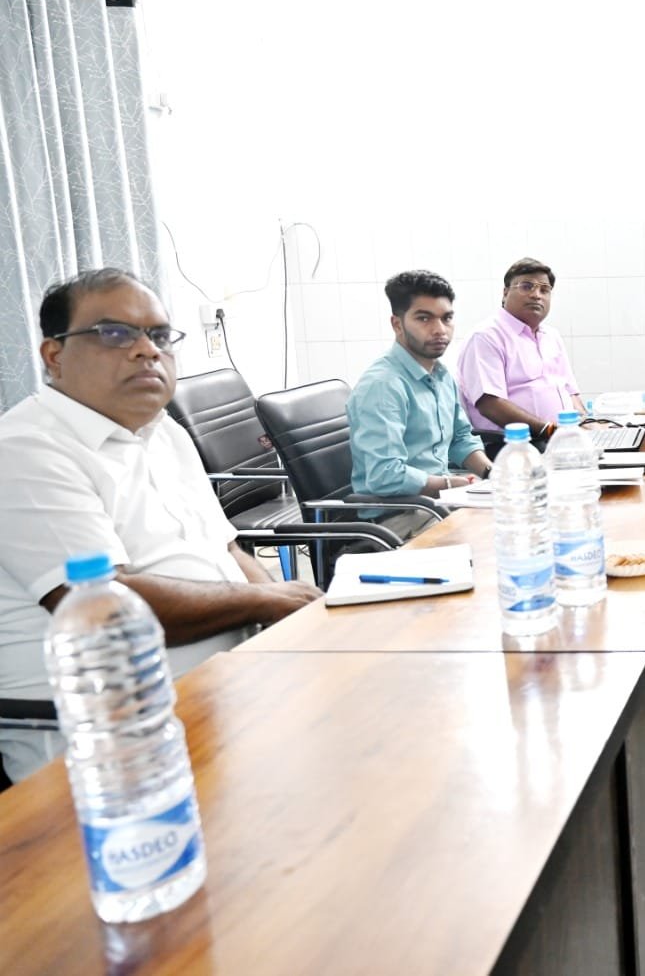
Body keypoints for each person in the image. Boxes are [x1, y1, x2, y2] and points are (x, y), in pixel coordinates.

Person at [0, 269, 321, 782]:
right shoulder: (25, 449)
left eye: (160, 335)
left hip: (228, 691)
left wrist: (285, 624)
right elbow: (104, 607)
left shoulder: (163, 430)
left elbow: (228, 551)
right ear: (54, 355)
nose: (147, 350)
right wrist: (267, 602)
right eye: (114, 333)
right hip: (108, 741)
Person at [347, 271, 492, 504]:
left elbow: (460, 439)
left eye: (446, 318)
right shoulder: (383, 386)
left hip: (438, 502)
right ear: (397, 324)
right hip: (400, 513)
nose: (440, 330)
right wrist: (451, 484)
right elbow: (385, 475)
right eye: (424, 318)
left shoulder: (441, 375)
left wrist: (492, 474)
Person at [456, 258, 583, 448]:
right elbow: (490, 404)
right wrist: (549, 430)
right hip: (515, 447)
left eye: (544, 290)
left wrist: (587, 425)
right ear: (505, 292)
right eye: (527, 286)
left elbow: (571, 393)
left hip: (561, 441)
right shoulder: (486, 337)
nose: (536, 295)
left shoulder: (552, 336)